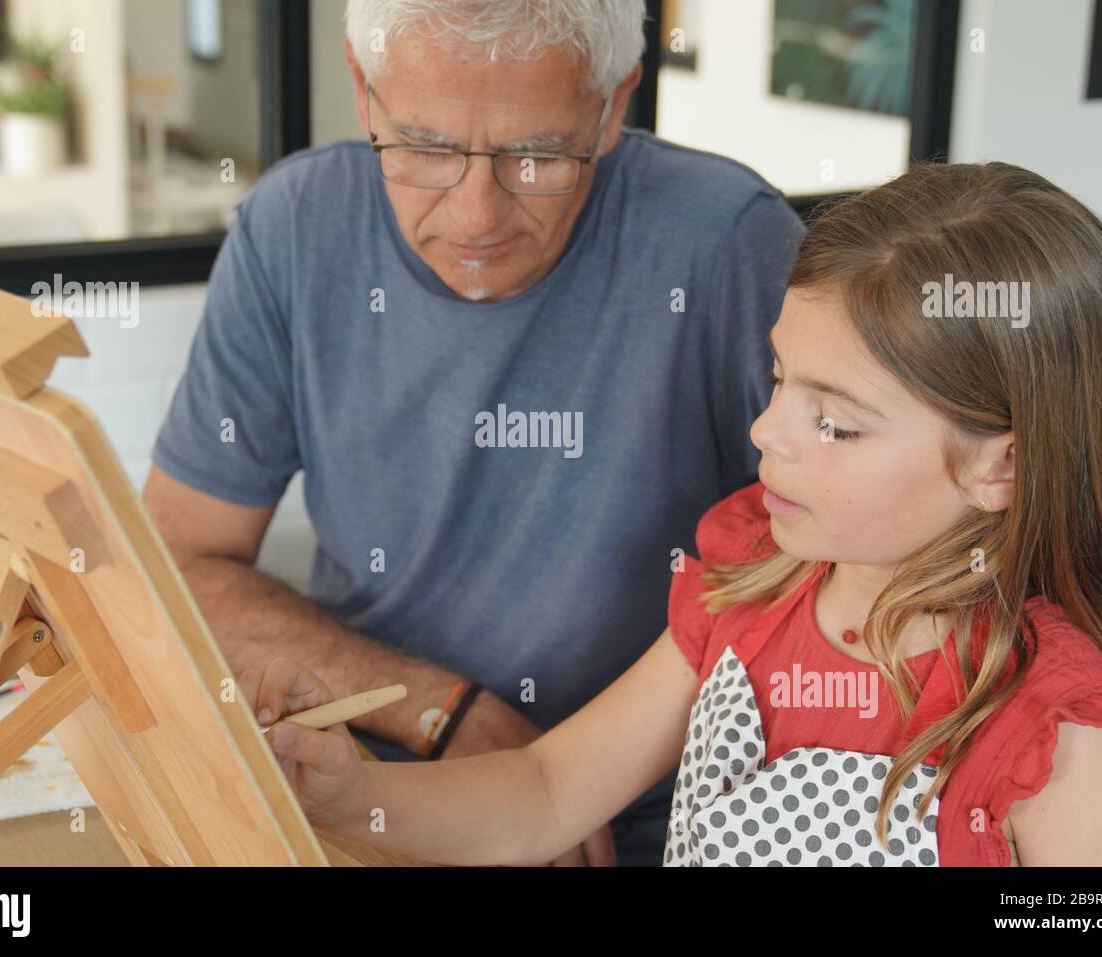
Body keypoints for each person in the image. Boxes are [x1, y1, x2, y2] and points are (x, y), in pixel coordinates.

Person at [240, 160, 1102, 866]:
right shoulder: (752, 589)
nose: (767, 429)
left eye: (837, 423)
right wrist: (356, 793)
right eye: (778, 379)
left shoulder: (1057, 728)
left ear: (1001, 465)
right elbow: (545, 790)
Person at [144, 0, 804, 865]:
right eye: (423, 147)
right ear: (362, 92)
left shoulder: (731, 246)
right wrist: (435, 711)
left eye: (536, 155)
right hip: (362, 792)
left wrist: (554, 781)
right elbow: (175, 567)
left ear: (613, 108)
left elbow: (845, 586)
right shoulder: (292, 229)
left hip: (648, 830)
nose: (475, 217)